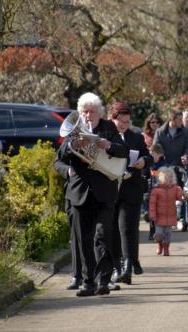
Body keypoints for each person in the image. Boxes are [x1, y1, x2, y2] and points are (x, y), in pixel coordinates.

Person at [55, 92, 129, 296]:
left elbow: (123, 150)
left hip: (104, 192)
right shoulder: (73, 131)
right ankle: (88, 283)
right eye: (84, 112)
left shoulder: (108, 127)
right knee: (83, 240)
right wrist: (72, 147)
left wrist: (109, 146)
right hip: (79, 192)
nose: (88, 115)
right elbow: (59, 158)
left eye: (92, 112)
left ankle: (103, 281)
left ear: (99, 113)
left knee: (102, 236)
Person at [109, 101, 152, 285]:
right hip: (111, 189)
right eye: (122, 122)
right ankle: (117, 266)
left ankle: (128, 266)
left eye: (127, 122)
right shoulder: (106, 136)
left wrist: (143, 160)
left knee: (127, 227)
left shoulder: (135, 137)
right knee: (113, 230)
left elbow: (147, 155)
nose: (125, 126)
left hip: (132, 188)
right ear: (113, 118)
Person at [53, 158, 82, 290]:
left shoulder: (102, 137)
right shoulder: (71, 141)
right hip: (74, 193)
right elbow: (58, 162)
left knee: (98, 237)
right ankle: (77, 275)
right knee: (76, 236)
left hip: (97, 195)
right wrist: (68, 170)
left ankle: (101, 276)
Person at [149, 167, 183, 256]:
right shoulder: (156, 190)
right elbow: (152, 204)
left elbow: (180, 197)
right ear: (161, 178)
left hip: (170, 216)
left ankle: (166, 249)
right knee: (159, 234)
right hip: (159, 217)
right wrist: (152, 215)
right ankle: (160, 245)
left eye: (171, 177)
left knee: (168, 235)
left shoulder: (175, 189)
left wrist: (180, 191)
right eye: (168, 177)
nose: (170, 179)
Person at [146, 143, 166, 240]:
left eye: (153, 154)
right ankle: (152, 231)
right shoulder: (149, 164)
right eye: (150, 154)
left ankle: (160, 232)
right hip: (151, 192)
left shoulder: (164, 165)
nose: (151, 156)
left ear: (160, 154)